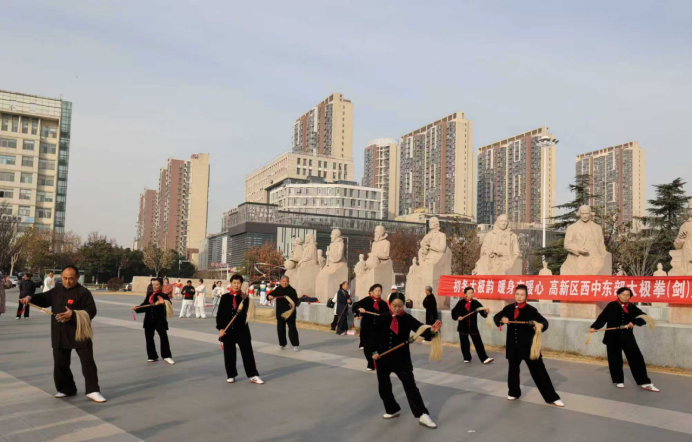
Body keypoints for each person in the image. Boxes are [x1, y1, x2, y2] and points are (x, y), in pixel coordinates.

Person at [19, 266, 106, 403]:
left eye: (71, 278)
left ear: (77, 278)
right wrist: (30, 297)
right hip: (59, 332)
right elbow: (43, 298)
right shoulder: (57, 290)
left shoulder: (84, 293)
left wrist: (73, 314)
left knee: (87, 362)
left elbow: (91, 311)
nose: (67, 281)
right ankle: (67, 389)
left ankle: (92, 390)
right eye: (65, 278)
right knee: (60, 363)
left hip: (79, 332)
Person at [371, 293, 439, 429]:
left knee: (411, 387)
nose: (397, 309)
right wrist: (374, 352)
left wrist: (431, 331)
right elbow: (372, 337)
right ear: (389, 304)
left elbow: (420, 328)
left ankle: (422, 414)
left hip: (402, 359)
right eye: (394, 306)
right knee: (384, 387)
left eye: (400, 306)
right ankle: (391, 409)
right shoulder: (382, 317)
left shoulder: (407, 318)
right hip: (383, 358)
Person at [494, 285, 564, 408]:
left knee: (539, 372)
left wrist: (540, 326)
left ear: (526, 296)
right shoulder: (508, 308)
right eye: (517, 294)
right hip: (513, 346)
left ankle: (552, 397)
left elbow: (544, 322)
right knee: (513, 370)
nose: (519, 297)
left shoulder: (531, 310)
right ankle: (514, 392)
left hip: (529, 347)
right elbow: (496, 318)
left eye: (522, 295)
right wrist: (502, 318)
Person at [590, 287, 660, 392]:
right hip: (612, 337)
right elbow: (602, 318)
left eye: (628, 295)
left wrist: (634, 321)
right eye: (623, 294)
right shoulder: (611, 305)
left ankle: (645, 383)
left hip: (627, 337)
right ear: (618, 295)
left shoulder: (632, 307)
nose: (625, 297)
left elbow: (644, 317)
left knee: (636, 358)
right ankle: (618, 380)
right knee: (614, 359)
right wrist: (594, 327)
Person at [217, 275, 264, 385]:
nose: (236, 285)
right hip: (228, 331)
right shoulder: (224, 297)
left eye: (238, 283)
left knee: (248, 353)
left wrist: (246, 299)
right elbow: (220, 315)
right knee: (229, 353)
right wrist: (220, 328)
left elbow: (248, 311)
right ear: (231, 284)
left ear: (241, 284)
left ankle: (253, 375)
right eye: (234, 283)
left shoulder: (245, 298)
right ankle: (231, 374)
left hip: (242, 330)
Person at [132, 278, 175, 365]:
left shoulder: (164, 295)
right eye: (153, 284)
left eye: (157, 285)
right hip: (148, 320)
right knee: (149, 338)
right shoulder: (150, 295)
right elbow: (145, 305)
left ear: (161, 286)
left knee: (164, 338)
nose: (155, 286)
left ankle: (166, 356)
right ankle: (152, 356)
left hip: (159, 321)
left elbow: (169, 304)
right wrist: (137, 308)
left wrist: (163, 303)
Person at [452, 287, 494, 365]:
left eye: (472, 293)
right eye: (469, 293)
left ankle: (484, 358)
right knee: (464, 342)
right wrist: (458, 317)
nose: (471, 294)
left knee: (478, 342)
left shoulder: (476, 303)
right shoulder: (461, 303)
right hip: (463, 326)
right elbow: (454, 312)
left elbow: (483, 313)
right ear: (465, 294)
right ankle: (466, 357)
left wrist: (486, 312)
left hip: (473, 326)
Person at [354, 284, 390, 372]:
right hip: (367, 328)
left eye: (379, 291)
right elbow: (355, 305)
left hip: (379, 329)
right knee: (367, 347)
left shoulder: (383, 304)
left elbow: (388, 315)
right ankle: (370, 362)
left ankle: (376, 361)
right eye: (376, 291)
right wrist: (360, 308)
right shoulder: (367, 300)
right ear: (372, 292)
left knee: (377, 346)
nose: (378, 293)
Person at [267, 276, 301, 351]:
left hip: (290, 313)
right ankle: (282, 344)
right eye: (283, 281)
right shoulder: (278, 289)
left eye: (286, 281)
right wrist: (269, 296)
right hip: (280, 313)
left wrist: (292, 304)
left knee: (292, 328)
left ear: (288, 282)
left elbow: (296, 300)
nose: (285, 283)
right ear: (280, 281)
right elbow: (269, 295)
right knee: (281, 329)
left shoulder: (292, 290)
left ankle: (295, 345)